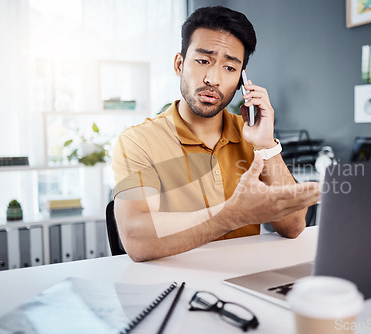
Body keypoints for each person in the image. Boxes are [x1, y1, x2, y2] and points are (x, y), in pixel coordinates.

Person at [112, 6, 320, 262]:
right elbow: (136, 239)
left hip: (246, 280)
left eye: (230, 68)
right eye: (203, 61)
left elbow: (294, 225)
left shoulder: (251, 135)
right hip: (177, 287)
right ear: (179, 64)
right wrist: (231, 215)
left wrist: (266, 145)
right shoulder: (137, 142)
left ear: (243, 80)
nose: (213, 78)